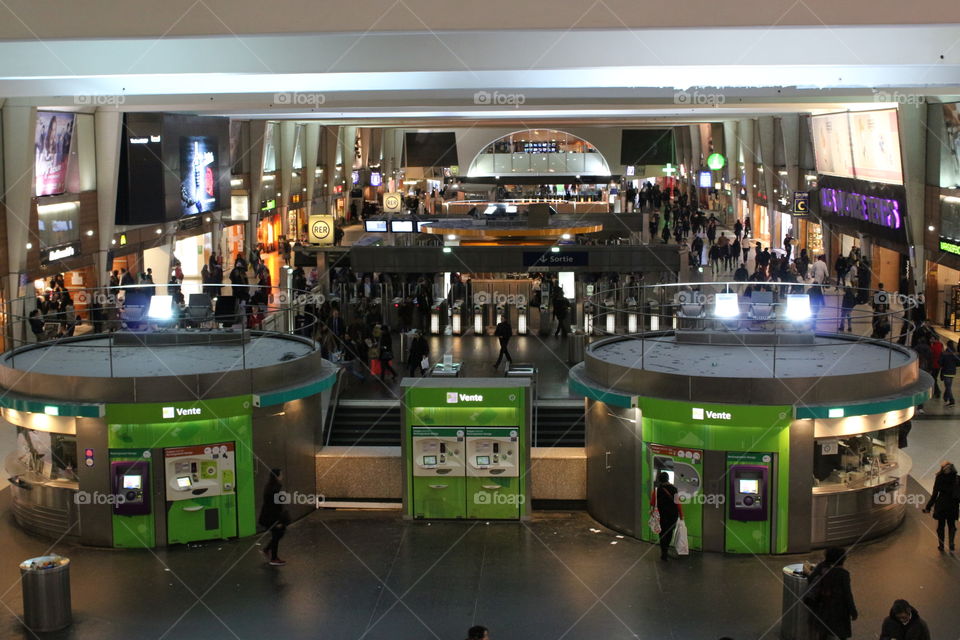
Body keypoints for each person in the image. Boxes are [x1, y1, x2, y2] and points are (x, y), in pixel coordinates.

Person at [804, 546, 857, 640]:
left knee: (823, 631)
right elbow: (848, 595)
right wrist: (853, 611)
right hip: (839, 609)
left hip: (822, 605)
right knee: (842, 632)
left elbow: (811, 579)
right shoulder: (843, 574)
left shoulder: (821, 567)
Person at [923, 461, 959, 551]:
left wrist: (928, 507)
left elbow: (934, 495)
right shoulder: (957, 478)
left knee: (940, 526)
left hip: (941, 505)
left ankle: (941, 545)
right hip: (953, 505)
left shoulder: (939, 478)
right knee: (951, 525)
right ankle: (951, 543)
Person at [258, 468, 289, 566]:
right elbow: (275, 506)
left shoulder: (270, 486)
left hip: (267, 516)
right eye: (281, 474)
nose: (282, 476)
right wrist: (278, 521)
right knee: (277, 534)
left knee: (278, 534)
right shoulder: (275, 488)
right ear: (277, 476)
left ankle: (267, 550)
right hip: (272, 517)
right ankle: (273, 558)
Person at [650, 471, 683, 561]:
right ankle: (666, 549)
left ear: (660, 480)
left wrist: (652, 511)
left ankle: (663, 552)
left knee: (662, 533)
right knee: (669, 533)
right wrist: (681, 515)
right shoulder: (674, 489)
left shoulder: (657, 490)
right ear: (668, 478)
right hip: (672, 515)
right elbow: (678, 503)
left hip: (661, 516)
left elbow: (652, 502)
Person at [940, 340, 959, 406]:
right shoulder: (955, 354)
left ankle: (952, 400)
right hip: (952, 372)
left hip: (946, 371)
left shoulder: (944, 353)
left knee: (948, 387)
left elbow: (940, 363)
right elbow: (958, 363)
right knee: (948, 386)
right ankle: (945, 397)